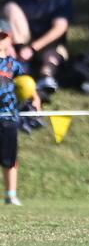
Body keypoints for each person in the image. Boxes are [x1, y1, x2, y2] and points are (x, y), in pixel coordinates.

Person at [2, 0, 73, 96]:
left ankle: (45, 80)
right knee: (10, 8)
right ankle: (18, 68)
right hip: (21, 43)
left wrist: (32, 48)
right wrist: (8, 44)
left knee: (52, 57)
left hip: (50, 46)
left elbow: (60, 28)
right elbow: (3, 19)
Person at [0, 23, 40, 206]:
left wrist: (35, 99)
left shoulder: (12, 64)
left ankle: (11, 194)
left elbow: (26, 82)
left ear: (10, 40)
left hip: (9, 117)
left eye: (3, 37)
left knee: (10, 158)